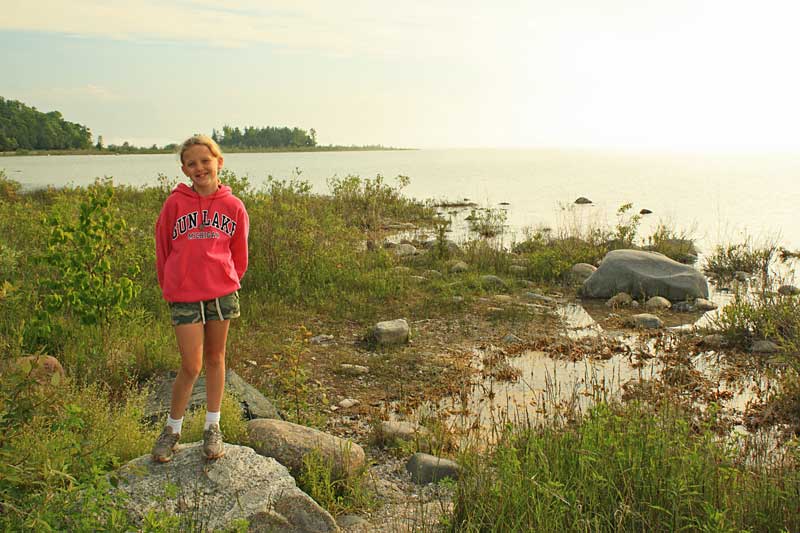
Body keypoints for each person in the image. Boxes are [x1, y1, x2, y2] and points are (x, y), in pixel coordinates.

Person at [151, 134, 249, 462]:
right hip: (184, 295)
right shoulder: (174, 204)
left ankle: (212, 427)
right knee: (191, 365)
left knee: (216, 359)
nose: (199, 167)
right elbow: (163, 246)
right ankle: (172, 430)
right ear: (184, 169)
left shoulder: (233, 206)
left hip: (221, 292)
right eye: (192, 163)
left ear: (218, 162)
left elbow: (240, 253)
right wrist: (171, 286)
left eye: (205, 161)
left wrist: (226, 279)